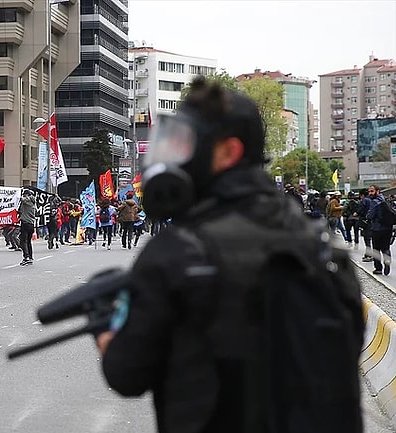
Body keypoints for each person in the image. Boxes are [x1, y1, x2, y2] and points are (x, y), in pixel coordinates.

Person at [93, 77, 363, 433]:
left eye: (187, 143)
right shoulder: (319, 244)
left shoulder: (178, 250)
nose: (177, 155)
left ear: (229, 152)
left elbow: (126, 373)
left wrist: (104, 324)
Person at [366, 184, 392, 275]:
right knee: (386, 247)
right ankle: (387, 261)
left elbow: (370, 215)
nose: (370, 193)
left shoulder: (374, 202)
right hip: (388, 228)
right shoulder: (386, 200)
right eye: (369, 191)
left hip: (377, 228)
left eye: (372, 191)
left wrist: (367, 215)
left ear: (378, 191)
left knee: (376, 249)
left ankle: (378, 268)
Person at [18, 189, 36, 266]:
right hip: (31, 224)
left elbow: (21, 199)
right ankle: (30, 257)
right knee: (28, 241)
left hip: (25, 223)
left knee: (23, 241)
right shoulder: (33, 203)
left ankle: (26, 257)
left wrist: (17, 193)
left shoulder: (27, 201)